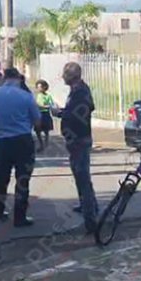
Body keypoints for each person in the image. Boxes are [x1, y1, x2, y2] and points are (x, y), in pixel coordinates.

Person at [0, 68, 41, 227]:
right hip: (23, 140)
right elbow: (37, 121)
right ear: (18, 78)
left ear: (4, 78)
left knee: (1, 178)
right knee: (22, 179)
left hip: (3, 141)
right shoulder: (26, 96)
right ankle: (20, 217)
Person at [58, 62, 98, 233]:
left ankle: (91, 218)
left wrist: (62, 113)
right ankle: (88, 206)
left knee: (82, 177)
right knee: (81, 176)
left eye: (65, 74)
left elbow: (79, 114)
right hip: (77, 138)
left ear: (71, 76)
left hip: (79, 139)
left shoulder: (80, 92)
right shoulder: (79, 91)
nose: (62, 77)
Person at [34, 79, 56, 152]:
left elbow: (51, 104)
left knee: (46, 130)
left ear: (44, 87)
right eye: (38, 87)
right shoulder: (38, 96)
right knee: (38, 130)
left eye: (40, 87)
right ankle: (41, 144)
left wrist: (45, 106)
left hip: (45, 114)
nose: (39, 88)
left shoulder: (48, 96)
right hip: (39, 114)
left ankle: (46, 144)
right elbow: (38, 105)